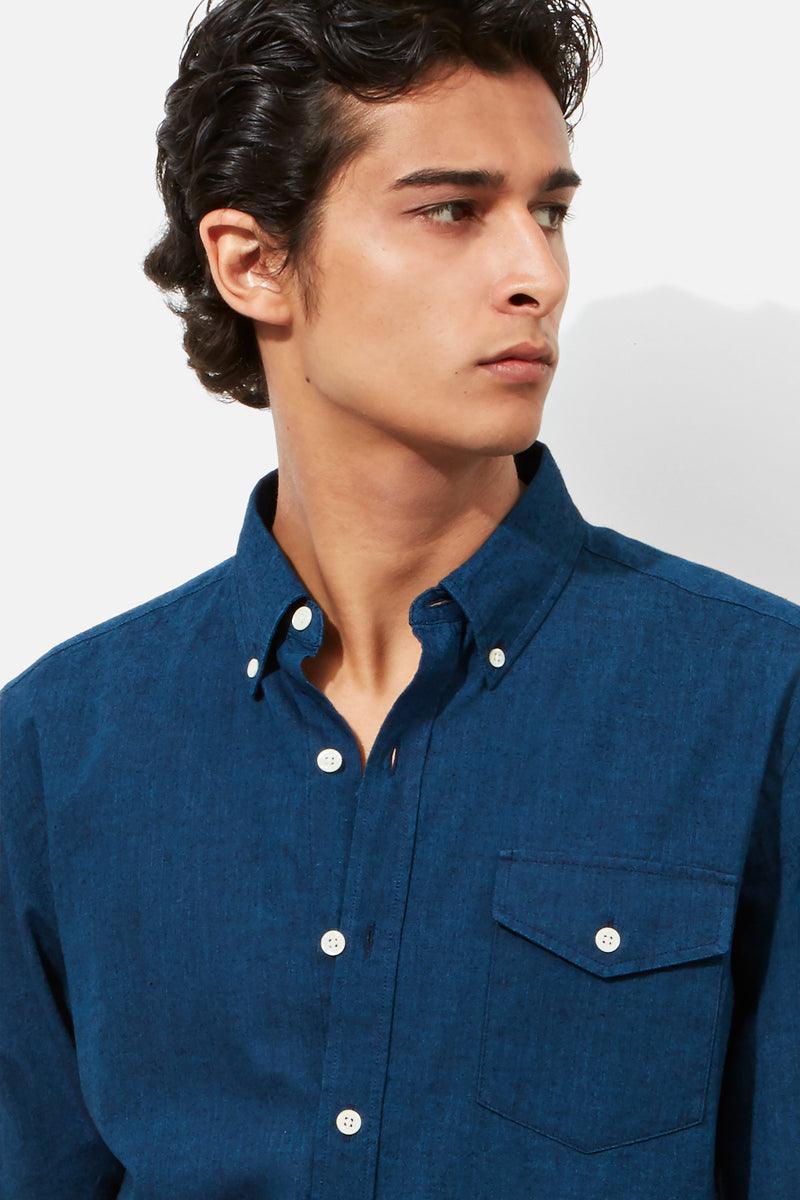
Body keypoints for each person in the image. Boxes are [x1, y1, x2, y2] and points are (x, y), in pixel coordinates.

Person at [1, 2, 797, 1197]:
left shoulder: (756, 706)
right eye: (451, 210)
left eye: (549, 212)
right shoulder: (60, 747)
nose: (535, 275)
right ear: (253, 262)